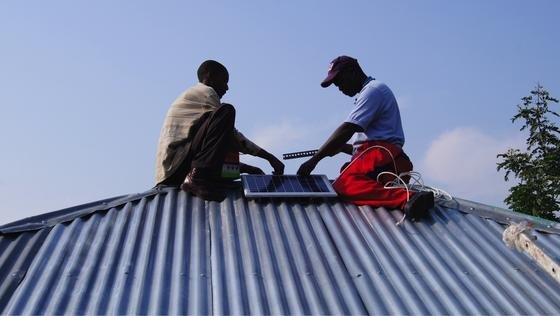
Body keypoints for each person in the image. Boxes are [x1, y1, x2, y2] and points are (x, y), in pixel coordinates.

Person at [297, 56, 434, 220]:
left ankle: (408, 198)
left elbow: (347, 128)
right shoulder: (371, 91)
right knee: (345, 177)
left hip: (382, 154)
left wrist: (314, 160)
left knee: (344, 184)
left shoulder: (372, 90)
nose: (339, 87)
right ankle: (399, 197)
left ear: (352, 72)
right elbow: (368, 138)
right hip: (385, 159)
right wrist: (343, 148)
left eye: (339, 81)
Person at [155, 60, 284, 201]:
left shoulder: (196, 101)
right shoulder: (206, 92)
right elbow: (233, 138)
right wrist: (270, 158)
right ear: (209, 76)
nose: (227, 87)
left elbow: (213, 150)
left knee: (223, 137)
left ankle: (198, 176)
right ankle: (197, 179)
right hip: (176, 168)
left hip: (172, 172)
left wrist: (249, 169)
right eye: (224, 81)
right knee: (226, 112)